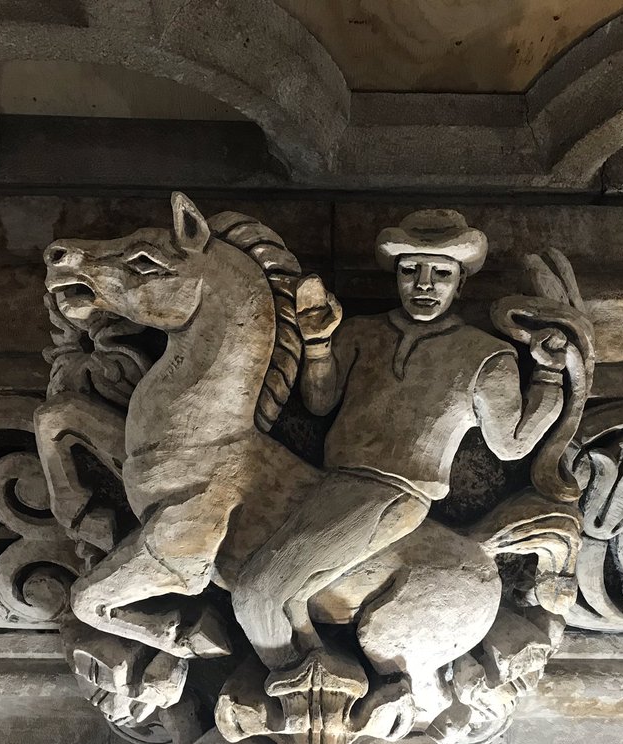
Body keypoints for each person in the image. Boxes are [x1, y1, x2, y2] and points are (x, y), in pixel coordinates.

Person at [230, 209, 569, 669]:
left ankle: (292, 678)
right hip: (328, 482)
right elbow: (320, 402)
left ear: (460, 283)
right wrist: (318, 342)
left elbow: (510, 445)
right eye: (411, 270)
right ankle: (312, 667)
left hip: (393, 495)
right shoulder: (361, 331)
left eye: (441, 273)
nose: (424, 284)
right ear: (397, 276)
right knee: (278, 587)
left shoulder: (485, 356)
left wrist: (549, 375)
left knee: (259, 593)